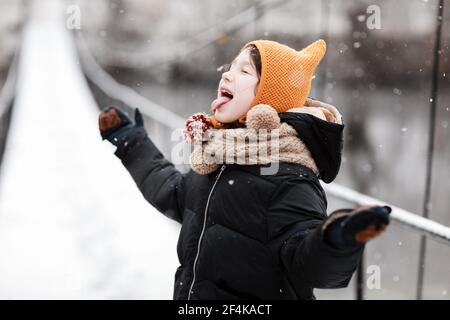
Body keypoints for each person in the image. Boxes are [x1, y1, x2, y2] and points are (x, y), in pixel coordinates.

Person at [98, 39, 391, 300]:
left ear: (267, 102)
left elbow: (309, 265)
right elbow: (172, 192)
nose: (227, 73)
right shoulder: (220, 157)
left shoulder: (289, 178)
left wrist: (336, 241)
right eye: (230, 66)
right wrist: (132, 142)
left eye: (244, 71)